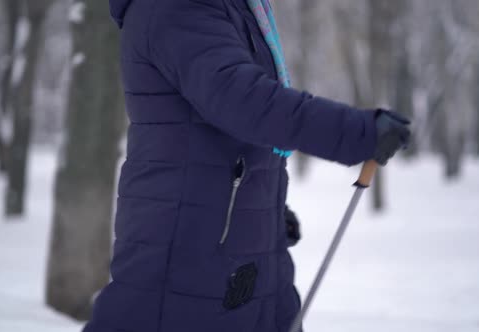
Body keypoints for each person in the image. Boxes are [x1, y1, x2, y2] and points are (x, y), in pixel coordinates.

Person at [84, 0, 411, 331]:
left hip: (236, 248)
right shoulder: (176, 7)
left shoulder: (239, 7)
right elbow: (244, 101)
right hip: (189, 251)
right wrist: (357, 132)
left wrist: (266, 210)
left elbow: (232, 140)